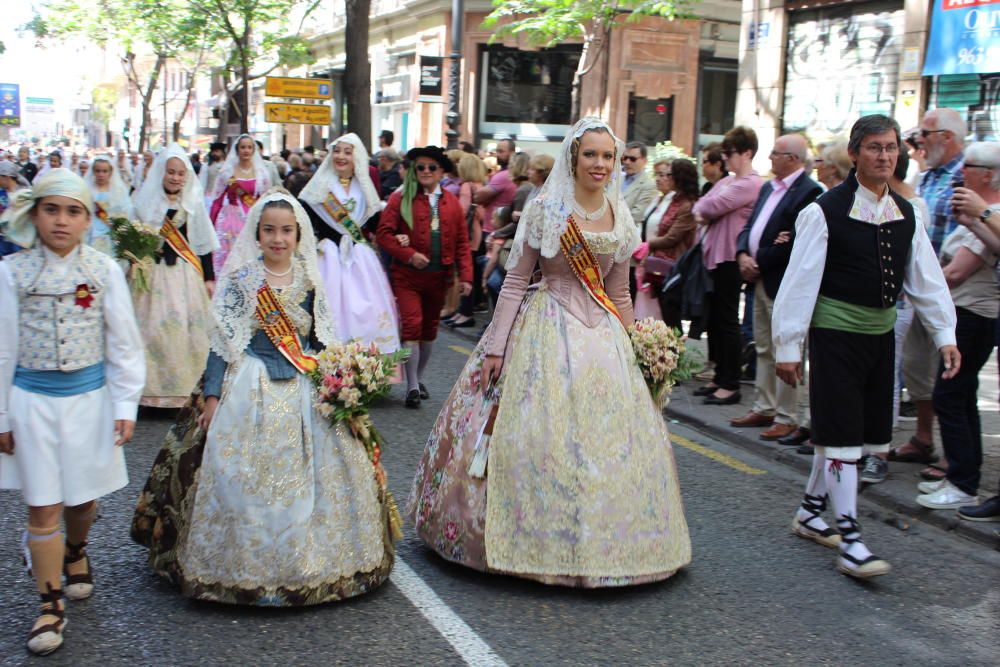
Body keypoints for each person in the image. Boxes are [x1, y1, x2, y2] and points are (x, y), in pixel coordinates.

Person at [407, 118, 691, 586]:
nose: (599, 164)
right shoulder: (546, 210)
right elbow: (517, 278)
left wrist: (637, 350)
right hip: (544, 326)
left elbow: (619, 292)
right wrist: (496, 346)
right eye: (590, 155)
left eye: (607, 156)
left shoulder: (622, 214)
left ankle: (611, 543)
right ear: (574, 158)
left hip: (603, 338)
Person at [130, 190, 398, 605]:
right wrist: (213, 397)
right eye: (270, 230)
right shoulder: (242, 281)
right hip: (249, 382)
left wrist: (342, 386)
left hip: (304, 383)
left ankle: (319, 561)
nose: (278, 239)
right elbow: (223, 344)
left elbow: (320, 340)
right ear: (256, 234)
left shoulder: (310, 280)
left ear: (298, 235)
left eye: (286, 231)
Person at [773, 115, 958, 579]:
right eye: (874, 147)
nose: (884, 156)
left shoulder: (907, 212)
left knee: (857, 438)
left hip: (880, 338)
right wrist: (788, 346)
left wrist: (945, 334)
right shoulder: (823, 211)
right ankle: (851, 537)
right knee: (841, 439)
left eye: (891, 147)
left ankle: (812, 512)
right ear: (854, 154)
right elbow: (799, 284)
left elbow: (926, 278)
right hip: (835, 336)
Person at [0, 169, 145, 654]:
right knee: (42, 506)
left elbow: (124, 343)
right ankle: (49, 605)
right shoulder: (12, 272)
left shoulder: (103, 270)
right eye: (51, 209)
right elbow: (2, 348)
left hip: (89, 402)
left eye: (73, 211)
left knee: (82, 499)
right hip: (32, 403)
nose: (61, 221)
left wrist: (125, 402)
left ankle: (77, 550)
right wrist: (1, 415)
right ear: (35, 214)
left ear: (88, 220)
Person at [915, 143, 998, 510]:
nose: (961, 172)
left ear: (987, 174)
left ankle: (963, 481)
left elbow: (957, 271)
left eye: (968, 167)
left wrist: (918, 291)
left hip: (973, 314)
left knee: (950, 395)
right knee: (959, 396)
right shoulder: (982, 216)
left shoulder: (991, 213)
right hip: (967, 313)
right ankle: (962, 478)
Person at [890, 109, 968, 475]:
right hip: (919, 289)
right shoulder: (928, 176)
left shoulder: (967, 174)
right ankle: (924, 439)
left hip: (955, 290)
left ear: (947, 136)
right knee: (917, 367)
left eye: (926, 133)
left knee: (950, 377)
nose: (919, 140)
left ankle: (954, 456)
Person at [731, 134, 823, 441]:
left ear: (794, 159)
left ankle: (787, 415)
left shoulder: (810, 192)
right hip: (758, 277)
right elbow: (750, 225)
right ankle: (764, 405)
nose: (769, 158)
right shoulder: (769, 187)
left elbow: (794, 240)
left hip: (783, 281)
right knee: (764, 346)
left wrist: (760, 259)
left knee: (787, 347)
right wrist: (744, 253)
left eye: (776, 153)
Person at [376, 146, 473, 408]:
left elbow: (463, 243)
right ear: (414, 170)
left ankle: (417, 379)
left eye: (432, 167)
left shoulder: (451, 203)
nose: (426, 172)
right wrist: (407, 253)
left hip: (439, 278)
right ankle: (411, 386)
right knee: (412, 325)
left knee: (429, 330)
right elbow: (384, 233)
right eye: (421, 167)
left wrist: (466, 277)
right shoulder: (401, 198)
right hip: (407, 276)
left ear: (441, 171)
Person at [131, 144, 219, 408]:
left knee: (183, 331)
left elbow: (203, 244)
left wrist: (209, 277)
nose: (176, 178)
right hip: (152, 274)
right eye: (171, 172)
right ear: (162, 172)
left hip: (184, 275)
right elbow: (134, 239)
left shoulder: (192, 204)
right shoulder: (145, 202)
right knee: (150, 331)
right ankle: (148, 393)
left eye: (181, 173)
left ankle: (182, 392)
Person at [299, 134, 399, 354]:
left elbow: (376, 223)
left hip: (359, 257)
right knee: (330, 308)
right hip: (328, 258)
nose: (341, 156)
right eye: (337, 151)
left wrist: (398, 235)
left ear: (357, 158)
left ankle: (361, 364)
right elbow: (304, 222)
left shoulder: (364, 188)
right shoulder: (319, 186)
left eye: (347, 151)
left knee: (366, 310)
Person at [692, 126, 764, 406]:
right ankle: (720, 376)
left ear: (746, 153)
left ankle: (730, 382)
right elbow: (702, 204)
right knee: (716, 320)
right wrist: (705, 209)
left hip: (731, 257)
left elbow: (708, 208)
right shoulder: (729, 182)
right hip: (715, 256)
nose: (726, 159)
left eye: (730, 153)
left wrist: (706, 210)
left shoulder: (751, 184)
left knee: (727, 320)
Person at [644, 159, 700, 327]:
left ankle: (674, 353)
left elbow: (672, 237)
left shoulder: (688, 205)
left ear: (679, 177)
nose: (666, 178)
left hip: (675, 267)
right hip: (661, 266)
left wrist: (647, 245)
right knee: (665, 316)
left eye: (670, 174)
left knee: (672, 319)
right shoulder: (672, 200)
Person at [208, 134, 271, 272]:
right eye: (243, 147)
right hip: (231, 219)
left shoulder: (262, 174)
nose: (246, 150)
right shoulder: (227, 173)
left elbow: (265, 199)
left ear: (254, 150)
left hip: (253, 218)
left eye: (249, 147)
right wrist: (211, 222)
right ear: (237, 150)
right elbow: (217, 199)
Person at [445, 153, 489, 329]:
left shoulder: (465, 186)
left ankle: (464, 312)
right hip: (478, 233)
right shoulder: (480, 185)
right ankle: (463, 311)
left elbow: (460, 212)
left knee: (465, 273)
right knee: (474, 273)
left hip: (467, 235)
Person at [83, 155, 134, 258]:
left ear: (111, 172)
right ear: (93, 171)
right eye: (98, 171)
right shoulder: (87, 189)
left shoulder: (118, 190)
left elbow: (126, 209)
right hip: (91, 232)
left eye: (105, 171)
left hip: (111, 232)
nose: (101, 174)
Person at [473, 138, 517, 235]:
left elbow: (477, 197)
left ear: (512, 153)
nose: (497, 154)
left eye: (501, 151)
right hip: (497, 227)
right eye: (497, 151)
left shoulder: (504, 175)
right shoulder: (504, 173)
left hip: (494, 230)